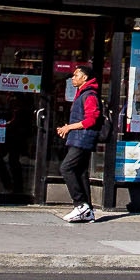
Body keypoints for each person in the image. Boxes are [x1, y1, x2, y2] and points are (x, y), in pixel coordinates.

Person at [53, 62, 102, 223]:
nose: (73, 78)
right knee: (80, 172)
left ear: (85, 77)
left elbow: (91, 120)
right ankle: (88, 210)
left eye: (76, 75)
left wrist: (68, 127)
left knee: (66, 168)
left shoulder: (89, 95)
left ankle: (80, 205)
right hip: (80, 138)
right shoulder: (83, 93)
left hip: (83, 139)